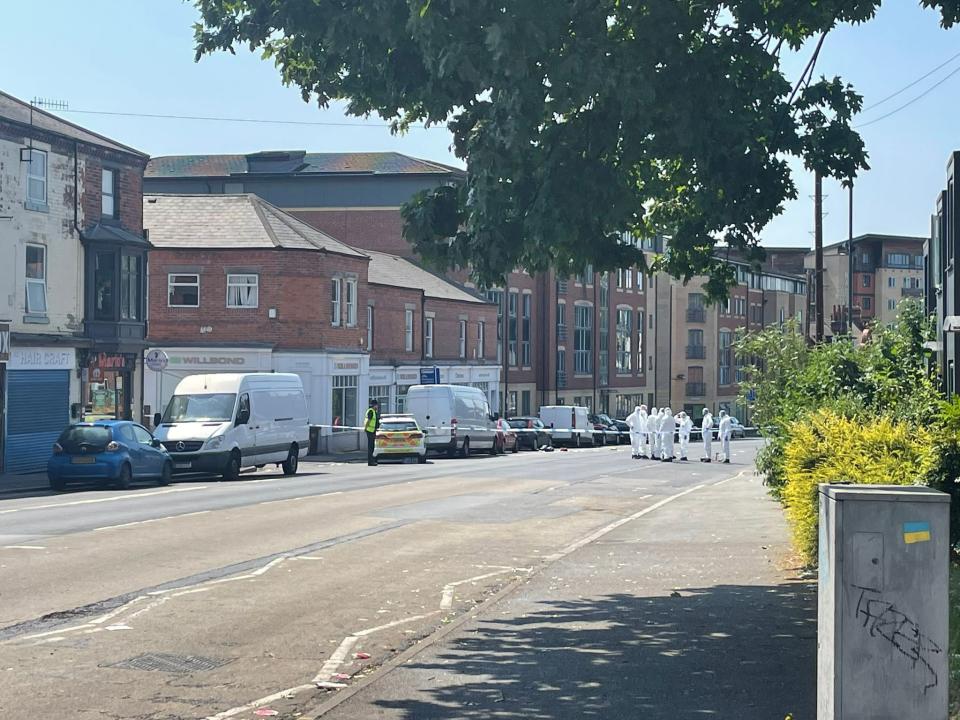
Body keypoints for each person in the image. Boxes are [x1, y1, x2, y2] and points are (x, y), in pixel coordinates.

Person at [364, 400, 381, 466]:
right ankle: (370, 462)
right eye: (376, 405)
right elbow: (368, 420)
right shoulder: (371, 411)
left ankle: (371, 461)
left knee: (372, 446)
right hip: (370, 431)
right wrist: (365, 428)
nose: (377, 406)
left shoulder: (373, 411)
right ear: (374, 405)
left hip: (372, 430)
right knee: (371, 447)